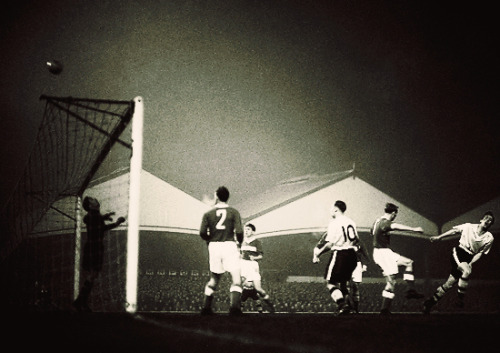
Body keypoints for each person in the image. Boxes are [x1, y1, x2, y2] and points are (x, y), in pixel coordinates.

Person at [423, 211, 495, 314]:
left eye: (490, 220)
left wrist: (471, 263)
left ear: (491, 224)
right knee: (466, 271)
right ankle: (460, 300)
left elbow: (480, 253)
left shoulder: (489, 238)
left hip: (470, 257)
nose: (488, 220)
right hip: (459, 252)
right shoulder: (468, 227)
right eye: (486, 218)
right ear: (481, 220)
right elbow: (454, 231)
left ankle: (429, 304)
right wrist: (439, 237)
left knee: (449, 284)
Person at [73, 196, 125, 312]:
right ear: (91, 205)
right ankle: (80, 302)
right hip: (94, 247)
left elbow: (90, 219)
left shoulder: (94, 215)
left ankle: (80, 301)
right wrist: (117, 223)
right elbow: (102, 228)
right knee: (92, 275)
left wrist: (104, 217)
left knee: (92, 275)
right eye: (92, 199)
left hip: (93, 246)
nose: (95, 199)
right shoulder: (93, 215)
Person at [371, 202, 425, 315]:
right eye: (396, 214)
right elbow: (395, 226)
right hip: (382, 253)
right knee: (391, 282)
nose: (395, 216)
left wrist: (381, 237)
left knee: (409, 262)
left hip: (384, 252)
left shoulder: (377, 221)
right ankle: (384, 309)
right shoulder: (385, 222)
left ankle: (411, 290)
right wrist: (414, 229)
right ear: (394, 213)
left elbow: (372, 232)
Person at [199, 186, 244, 316]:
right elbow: (239, 231)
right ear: (228, 197)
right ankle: (234, 308)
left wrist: (210, 239)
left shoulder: (208, 214)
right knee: (236, 278)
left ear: (217, 197)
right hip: (229, 245)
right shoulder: (233, 212)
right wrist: (239, 243)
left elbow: (202, 232)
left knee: (214, 279)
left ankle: (206, 308)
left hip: (214, 246)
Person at [313, 200, 360, 315]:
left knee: (331, 283)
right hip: (352, 255)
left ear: (335, 209)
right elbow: (356, 240)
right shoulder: (351, 222)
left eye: (331, 208)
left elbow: (329, 244)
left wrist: (318, 253)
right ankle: (350, 308)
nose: (330, 211)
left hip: (340, 254)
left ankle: (342, 305)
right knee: (343, 284)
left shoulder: (334, 223)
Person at [240, 223, 275, 313]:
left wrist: (254, 257)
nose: (246, 231)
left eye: (248, 229)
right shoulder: (242, 241)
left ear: (253, 231)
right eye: (245, 229)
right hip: (244, 265)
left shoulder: (257, 242)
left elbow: (261, 256)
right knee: (243, 285)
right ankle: (238, 308)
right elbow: (240, 254)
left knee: (258, 289)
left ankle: (270, 305)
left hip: (253, 265)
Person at [346, 239, 371, 313]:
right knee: (346, 287)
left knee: (355, 286)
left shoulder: (360, 243)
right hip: (346, 264)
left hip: (357, 265)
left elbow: (366, 256)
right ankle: (349, 307)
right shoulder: (343, 241)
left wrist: (365, 265)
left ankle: (355, 309)